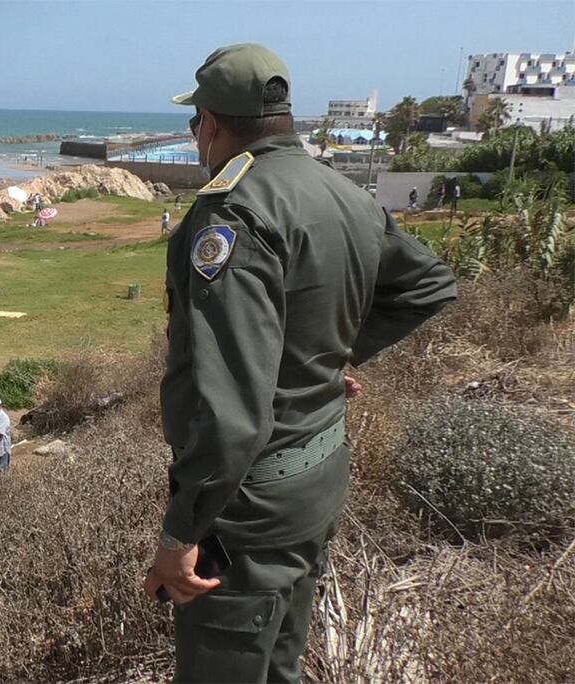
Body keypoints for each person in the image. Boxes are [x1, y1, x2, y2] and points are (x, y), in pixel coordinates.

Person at [146, 44, 456, 683]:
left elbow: (230, 415)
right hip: (317, 478)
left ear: (211, 122)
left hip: (249, 510)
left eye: (194, 122)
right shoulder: (342, 192)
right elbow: (427, 285)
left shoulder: (230, 213)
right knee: (280, 664)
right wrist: (329, 358)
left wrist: (180, 536)